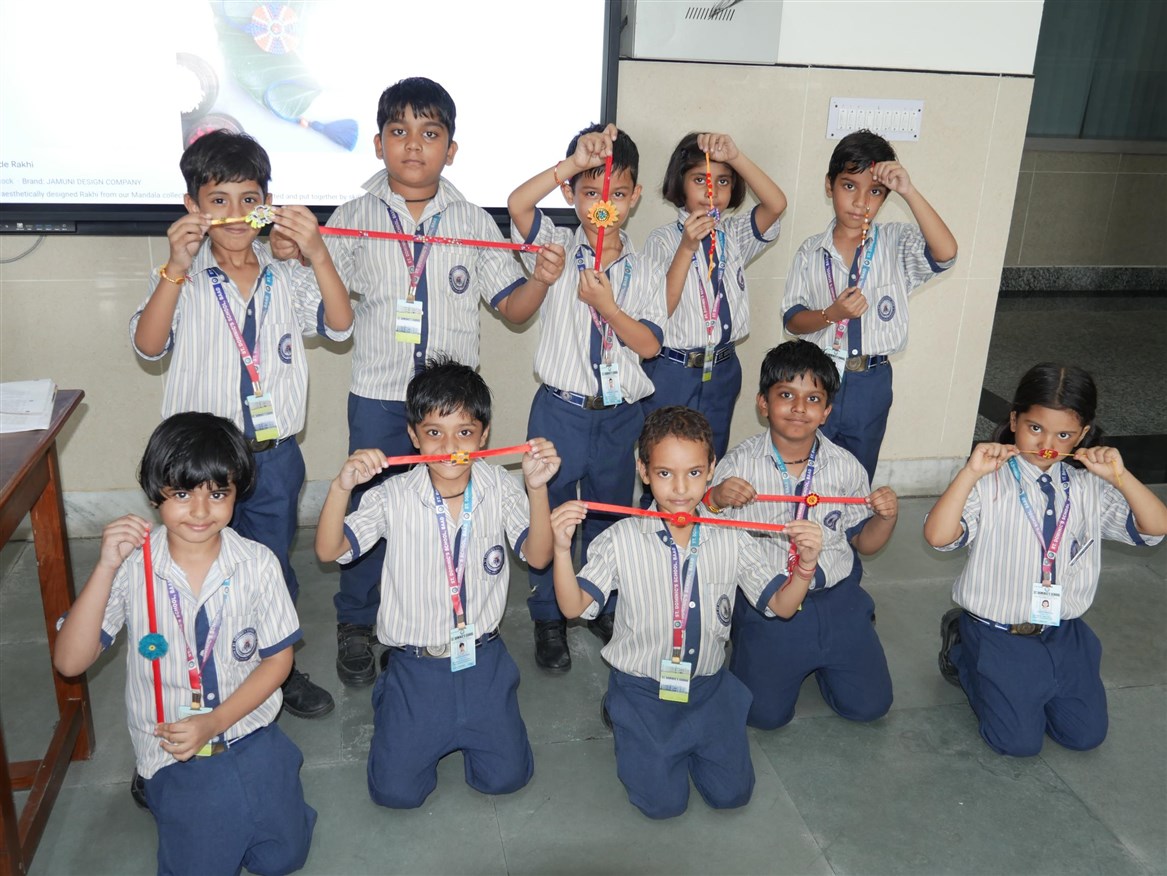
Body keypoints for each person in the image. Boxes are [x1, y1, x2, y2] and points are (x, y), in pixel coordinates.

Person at [278, 76, 564, 688]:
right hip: (380, 399)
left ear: (451, 150)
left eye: (430, 133)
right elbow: (329, 304)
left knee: (451, 514)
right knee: (369, 508)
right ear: (378, 144)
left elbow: (513, 307)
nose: (414, 145)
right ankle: (357, 622)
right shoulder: (352, 218)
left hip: (450, 413)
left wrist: (540, 279)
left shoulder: (472, 221)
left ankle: (446, 614)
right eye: (399, 131)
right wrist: (296, 251)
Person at [131, 129, 352, 720]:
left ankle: (279, 666)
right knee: (198, 566)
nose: (234, 213)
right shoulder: (180, 275)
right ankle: (201, 669)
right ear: (193, 207)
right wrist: (175, 268)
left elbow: (340, 325)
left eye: (248, 199)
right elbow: (149, 346)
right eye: (218, 200)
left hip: (274, 455)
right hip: (201, 460)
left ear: (267, 205)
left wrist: (317, 253)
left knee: (270, 565)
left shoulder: (285, 273)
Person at [54, 413, 316, 876]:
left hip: (249, 730)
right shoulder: (133, 566)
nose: (199, 511)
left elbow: (278, 662)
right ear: (155, 491)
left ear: (237, 492)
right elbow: (70, 661)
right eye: (181, 494)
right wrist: (105, 567)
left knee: (283, 858)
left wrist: (214, 721)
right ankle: (161, 790)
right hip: (173, 749)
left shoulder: (258, 563)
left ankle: (267, 773)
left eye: (217, 493)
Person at [549, 406, 819, 818]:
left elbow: (781, 607)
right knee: (662, 805)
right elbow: (573, 606)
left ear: (711, 469)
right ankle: (621, 711)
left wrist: (805, 567)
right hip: (643, 690)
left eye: (693, 472)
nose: (680, 488)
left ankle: (691, 736)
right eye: (664, 473)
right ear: (643, 471)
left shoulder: (732, 536)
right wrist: (560, 549)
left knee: (733, 795)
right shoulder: (621, 539)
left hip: (709, 688)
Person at [315, 358, 560, 808]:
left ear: (484, 435)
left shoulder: (500, 486)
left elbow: (539, 555)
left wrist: (537, 488)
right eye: (434, 432)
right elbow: (331, 551)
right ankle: (394, 698)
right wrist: (340, 487)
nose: (449, 447)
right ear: (413, 436)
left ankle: (478, 714)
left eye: (464, 432)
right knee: (396, 794)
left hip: (483, 657)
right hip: (417, 664)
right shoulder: (391, 495)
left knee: (506, 779)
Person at [925, 363, 1167, 756]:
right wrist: (969, 474)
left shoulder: (1087, 486)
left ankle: (1033, 679)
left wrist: (1120, 477)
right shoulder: (988, 480)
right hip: (998, 631)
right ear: (1014, 421)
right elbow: (938, 536)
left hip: (1062, 630)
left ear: (1083, 435)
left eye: (1064, 434)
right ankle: (964, 650)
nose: (1046, 443)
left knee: (1085, 735)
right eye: (1035, 428)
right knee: (1017, 743)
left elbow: (1156, 526)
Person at [508, 122, 667, 671]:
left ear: (635, 197)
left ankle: (599, 598)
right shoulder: (555, 247)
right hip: (560, 409)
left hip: (621, 416)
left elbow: (649, 345)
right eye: (591, 192)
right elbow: (517, 204)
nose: (605, 206)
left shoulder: (645, 268)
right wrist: (574, 162)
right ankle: (549, 615)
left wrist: (608, 308)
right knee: (550, 513)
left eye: (617, 194)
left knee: (608, 513)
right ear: (570, 194)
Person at [706, 340, 898, 729]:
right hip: (770, 601)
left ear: (826, 412)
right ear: (763, 403)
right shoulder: (737, 465)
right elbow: (705, 538)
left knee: (870, 706)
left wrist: (886, 518)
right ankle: (756, 640)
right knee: (763, 716)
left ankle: (828, 656)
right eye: (786, 395)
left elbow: (863, 542)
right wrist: (715, 499)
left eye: (813, 399)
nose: (799, 408)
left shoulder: (845, 466)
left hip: (836, 598)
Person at [781, 129, 957, 480]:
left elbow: (946, 252)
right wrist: (831, 314)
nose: (861, 202)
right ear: (829, 185)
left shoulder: (896, 242)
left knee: (858, 474)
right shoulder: (810, 251)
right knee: (808, 468)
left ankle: (851, 517)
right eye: (849, 186)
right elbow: (792, 319)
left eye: (874, 192)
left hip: (871, 381)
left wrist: (909, 191)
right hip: (818, 379)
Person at [641, 131, 787, 459]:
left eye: (723, 181)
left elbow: (776, 204)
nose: (712, 192)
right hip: (673, 368)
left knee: (710, 456)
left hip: (723, 367)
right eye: (700, 180)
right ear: (679, 183)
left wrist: (735, 157)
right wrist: (687, 247)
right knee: (666, 456)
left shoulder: (732, 234)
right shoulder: (662, 240)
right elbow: (659, 309)